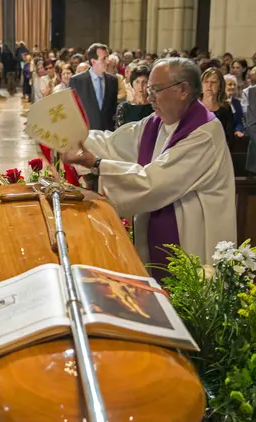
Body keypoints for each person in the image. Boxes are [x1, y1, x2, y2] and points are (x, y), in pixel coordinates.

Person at [61, 58, 236, 277]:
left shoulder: (204, 133)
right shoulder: (158, 122)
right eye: (149, 89)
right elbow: (113, 144)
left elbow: (154, 183)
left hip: (192, 239)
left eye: (156, 89)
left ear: (183, 90)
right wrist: (70, 136)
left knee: (186, 290)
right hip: (158, 233)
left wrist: (96, 164)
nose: (149, 96)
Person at [69, 43, 119, 132]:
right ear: (93, 61)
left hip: (107, 134)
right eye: (104, 58)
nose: (108, 61)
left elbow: (113, 110)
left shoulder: (113, 81)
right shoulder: (77, 81)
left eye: (108, 57)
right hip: (85, 134)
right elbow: (72, 111)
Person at [200, 68, 234, 142]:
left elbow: (229, 137)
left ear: (220, 86)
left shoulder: (226, 108)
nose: (209, 85)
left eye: (213, 82)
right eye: (206, 82)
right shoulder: (192, 107)